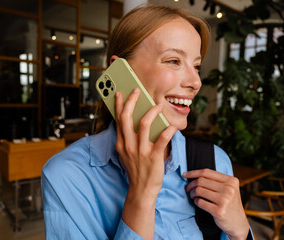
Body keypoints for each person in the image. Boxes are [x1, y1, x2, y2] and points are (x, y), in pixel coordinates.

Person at [41, 5, 252, 240]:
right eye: (173, 60)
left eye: (197, 66)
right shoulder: (66, 176)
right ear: (120, 71)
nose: (196, 82)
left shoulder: (214, 162)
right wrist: (141, 196)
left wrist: (241, 232)